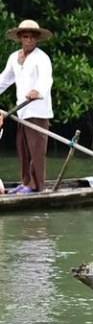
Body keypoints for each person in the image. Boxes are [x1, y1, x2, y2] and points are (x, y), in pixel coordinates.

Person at [0, 20, 54, 194]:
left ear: (37, 39)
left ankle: (36, 185)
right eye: (25, 37)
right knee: (22, 148)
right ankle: (26, 182)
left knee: (36, 150)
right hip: (21, 111)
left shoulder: (42, 58)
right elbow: (4, 80)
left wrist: (37, 90)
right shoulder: (14, 58)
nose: (29, 40)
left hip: (38, 111)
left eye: (32, 37)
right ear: (20, 38)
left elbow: (46, 80)